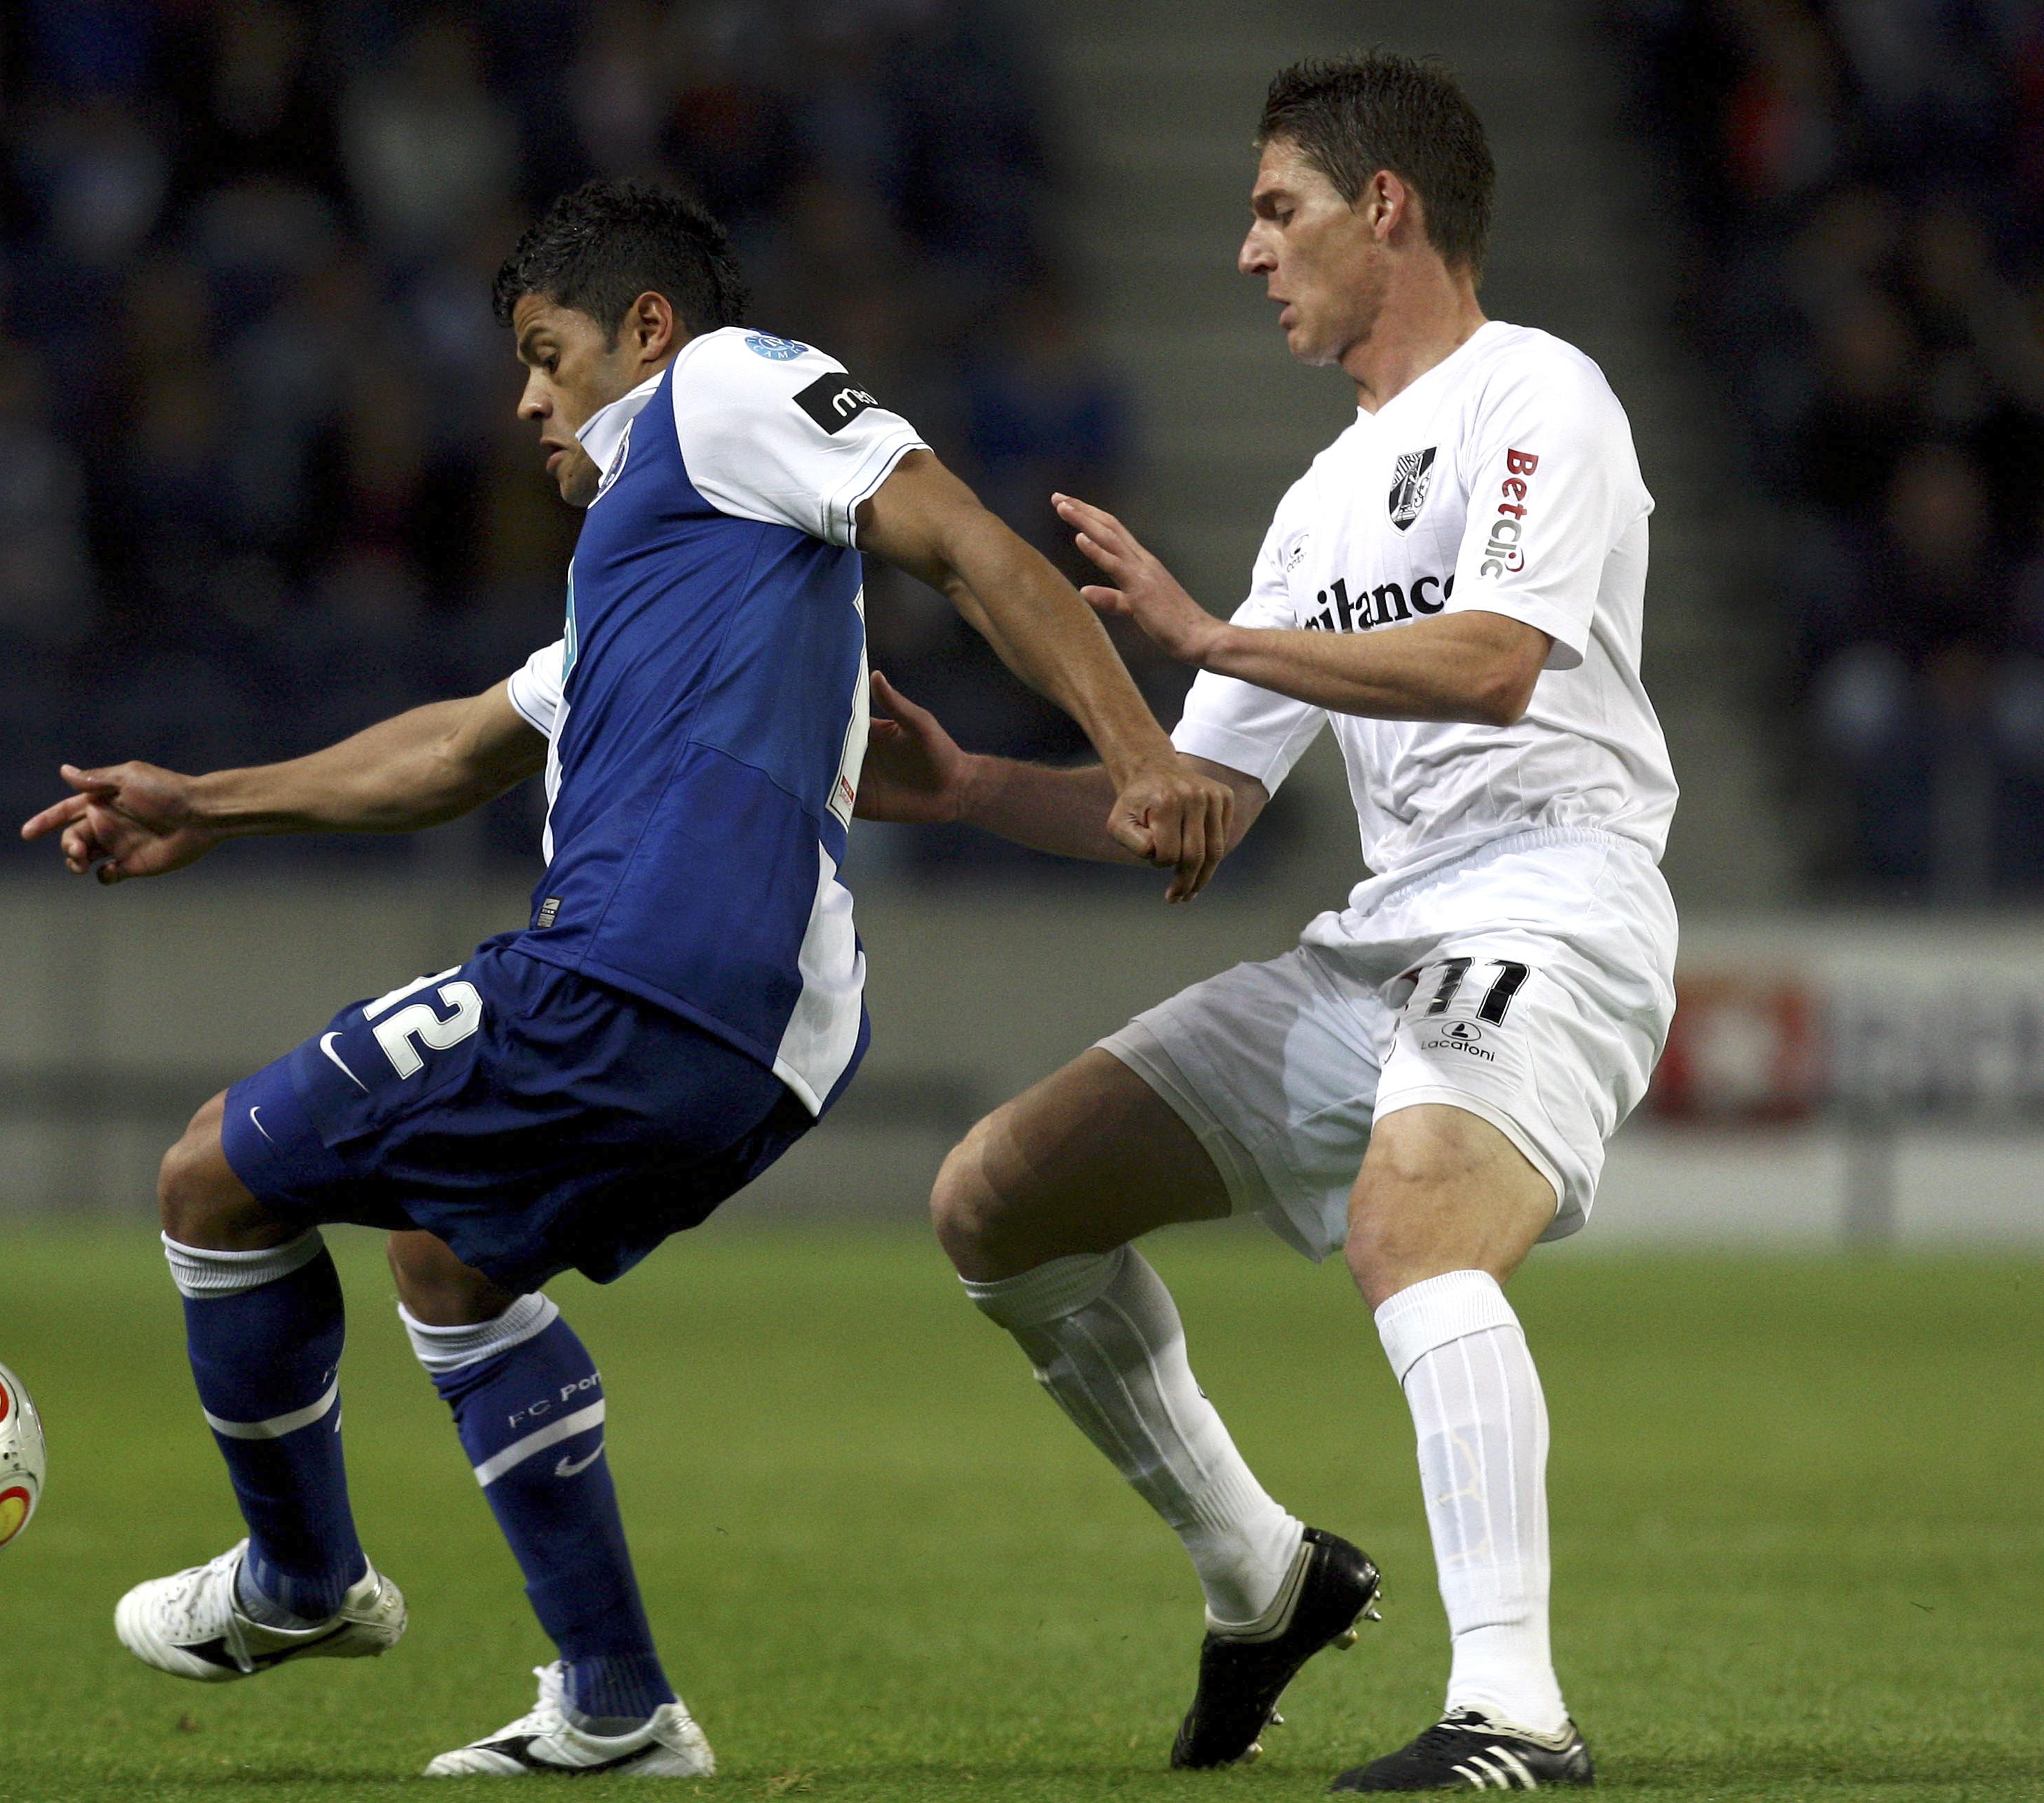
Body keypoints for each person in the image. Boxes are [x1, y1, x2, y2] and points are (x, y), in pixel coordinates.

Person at [22, 179, 1233, 1779]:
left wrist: (1138, 749)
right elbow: (449, 748)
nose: (527, 396)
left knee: (207, 1178)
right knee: (450, 1269)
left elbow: (964, 538)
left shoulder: (724, 392)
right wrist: (209, 802)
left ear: (647, 333)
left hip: (644, 970)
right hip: (761, 1034)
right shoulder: (663, 574)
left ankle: (301, 1582)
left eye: (548, 351)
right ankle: (615, 1706)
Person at [857, 53, 1673, 1792]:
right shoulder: (1319, 501)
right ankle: (1264, 1573)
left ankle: (1514, 1715)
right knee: (997, 1201)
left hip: (1558, 895)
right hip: (1380, 938)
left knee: (1416, 1228)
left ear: (1386, 210)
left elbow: (1497, 665)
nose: (1249, 251)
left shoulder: (1543, 396)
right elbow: (1190, 805)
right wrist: (974, 789)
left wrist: (1217, 639)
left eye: (1275, 207)